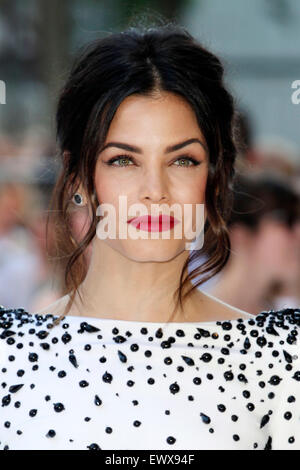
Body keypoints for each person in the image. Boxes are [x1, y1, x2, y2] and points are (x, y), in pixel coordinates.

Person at [0, 21, 299, 451]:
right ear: (80, 177)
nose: (154, 191)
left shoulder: (283, 361)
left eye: (183, 160)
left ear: (215, 178)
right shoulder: (10, 358)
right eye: (123, 160)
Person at [200, 173, 300, 314]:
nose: (298, 232)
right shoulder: (187, 322)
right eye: (286, 220)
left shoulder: (288, 317)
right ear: (240, 235)